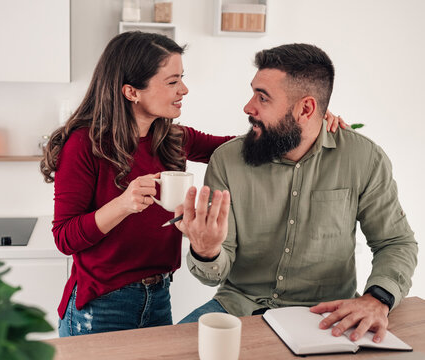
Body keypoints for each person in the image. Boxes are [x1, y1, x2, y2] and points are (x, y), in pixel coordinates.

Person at [41, 33, 344, 337]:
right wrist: (122, 204)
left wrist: (305, 120)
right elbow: (65, 238)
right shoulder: (84, 144)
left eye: (181, 78)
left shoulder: (172, 138)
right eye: (172, 82)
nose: (183, 89)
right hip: (101, 305)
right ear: (132, 91)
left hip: (158, 297)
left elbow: (242, 149)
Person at [175, 43, 418, 344]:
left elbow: (395, 242)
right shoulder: (227, 161)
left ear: (306, 108)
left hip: (328, 315)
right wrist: (207, 250)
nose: (248, 107)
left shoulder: (364, 158)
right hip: (240, 308)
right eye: (253, 93)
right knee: (169, 349)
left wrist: (377, 298)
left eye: (262, 97)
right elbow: (212, 273)